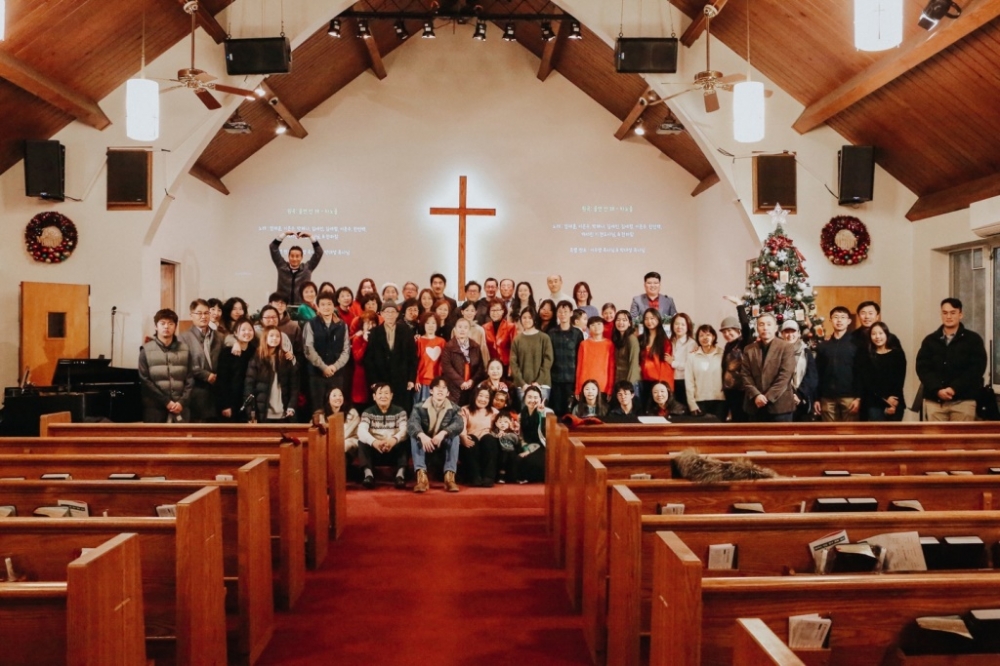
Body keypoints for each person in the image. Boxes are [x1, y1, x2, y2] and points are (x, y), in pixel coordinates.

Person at [916, 297, 987, 422]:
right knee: (935, 435)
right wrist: (937, 389)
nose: (948, 316)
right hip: (935, 402)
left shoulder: (973, 340)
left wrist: (954, 388)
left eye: (953, 312)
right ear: (941, 314)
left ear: (960, 314)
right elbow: (923, 368)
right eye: (945, 313)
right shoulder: (930, 340)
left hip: (963, 401)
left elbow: (976, 369)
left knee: (961, 435)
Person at [408, 377, 464, 493]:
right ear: (431, 391)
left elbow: (459, 425)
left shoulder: (454, 408)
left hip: (442, 445)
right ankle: (421, 478)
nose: (440, 390)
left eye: (444, 388)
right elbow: (412, 424)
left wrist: (443, 433)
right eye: (437, 387)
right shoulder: (419, 407)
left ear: (448, 393)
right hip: (425, 445)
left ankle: (449, 477)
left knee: (455, 436)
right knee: (415, 436)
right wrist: (422, 435)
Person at [138, 308, 193, 423]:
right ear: (156, 326)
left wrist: (182, 402)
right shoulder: (145, 350)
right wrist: (166, 402)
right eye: (162, 323)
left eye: (170, 323)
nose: (166, 327)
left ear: (175, 326)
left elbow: (190, 378)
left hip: (181, 408)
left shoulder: (185, 349)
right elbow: (145, 380)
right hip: (155, 410)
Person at [740, 313, 797, 422]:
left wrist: (767, 397)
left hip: (780, 406)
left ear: (775, 328)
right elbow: (745, 374)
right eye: (761, 324)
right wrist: (756, 395)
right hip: (755, 405)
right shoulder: (749, 349)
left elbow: (785, 376)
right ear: (757, 328)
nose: (765, 327)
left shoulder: (786, 347)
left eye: (769, 324)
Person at [364, 300, 418, 413]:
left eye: (393, 312)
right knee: (382, 410)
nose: (390, 315)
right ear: (382, 314)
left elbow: (412, 357)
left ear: (397, 314)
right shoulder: (374, 332)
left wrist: (411, 379)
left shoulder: (406, 331)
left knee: (401, 410)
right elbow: (369, 359)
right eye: (387, 312)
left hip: (401, 378)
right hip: (381, 378)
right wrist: (373, 381)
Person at [303, 293, 351, 412]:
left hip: (337, 374)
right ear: (318, 307)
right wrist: (323, 367)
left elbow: (346, 350)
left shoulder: (342, 325)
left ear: (334, 306)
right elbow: (308, 349)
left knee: (336, 408)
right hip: (316, 374)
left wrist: (334, 367)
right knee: (318, 409)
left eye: (329, 304)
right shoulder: (311, 324)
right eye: (323, 304)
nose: (326, 307)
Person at [357, 383, 409, 490]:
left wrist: (393, 440)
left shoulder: (400, 411)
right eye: (380, 393)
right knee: (362, 441)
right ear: (374, 396)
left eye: (386, 393)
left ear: (391, 396)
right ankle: (368, 475)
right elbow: (361, 431)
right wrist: (374, 442)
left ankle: (400, 475)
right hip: (376, 450)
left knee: (406, 440)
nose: (383, 396)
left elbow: (404, 430)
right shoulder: (368, 412)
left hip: (393, 449)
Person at [813, 306, 861, 422]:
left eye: (843, 317)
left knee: (850, 431)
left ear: (849, 321)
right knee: (829, 431)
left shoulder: (856, 344)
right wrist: (816, 398)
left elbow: (860, 372)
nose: (839, 320)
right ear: (830, 320)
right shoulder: (823, 346)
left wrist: (859, 397)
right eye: (836, 317)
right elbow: (817, 372)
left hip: (849, 397)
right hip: (827, 397)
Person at [178, 299, 222, 422]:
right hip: (196, 393)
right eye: (199, 313)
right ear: (191, 315)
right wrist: (206, 375)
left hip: (216, 392)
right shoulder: (183, 337)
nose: (203, 316)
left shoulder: (218, 336)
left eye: (206, 313)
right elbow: (184, 363)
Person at [244, 325, 299, 423]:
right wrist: (251, 413)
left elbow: (294, 385)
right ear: (265, 338)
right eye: (271, 336)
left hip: (283, 412)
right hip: (263, 413)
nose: (275, 338)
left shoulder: (286, 358)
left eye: (277, 336)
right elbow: (249, 387)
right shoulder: (257, 359)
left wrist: (291, 406)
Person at [858, 321, 906, 422]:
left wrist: (893, 401)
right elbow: (867, 382)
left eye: (880, 333)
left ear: (886, 334)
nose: (877, 337)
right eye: (874, 334)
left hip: (895, 401)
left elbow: (900, 379)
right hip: (874, 403)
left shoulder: (897, 354)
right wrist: (884, 400)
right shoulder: (866, 356)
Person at [215, 318, 258, 422]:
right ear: (235, 333)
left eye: (250, 330)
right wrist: (225, 405)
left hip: (250, 400)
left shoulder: (255, 352)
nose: (247, 332)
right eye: (243, 330)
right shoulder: (227, 353)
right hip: (231, 401)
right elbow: (222, 381)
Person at [509, 308, 554, 404]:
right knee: (525, 412)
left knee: (541, 412)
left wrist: (538, 382)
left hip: (542, 385)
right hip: (523, 386)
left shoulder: (544, 338)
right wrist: (522, 383)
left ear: (534, 319)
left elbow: (548, 360)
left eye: (530, 317)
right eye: (524, 317)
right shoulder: (517, 339)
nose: (527, 320)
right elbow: (513, 363)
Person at [720, 296, 754, 422]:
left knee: (741, 422)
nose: (726, 334)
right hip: (730, 392)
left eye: (729, 331)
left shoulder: (744, 343)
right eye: (724, 332)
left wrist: (739, 305)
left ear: (738, 331)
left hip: (742, 392)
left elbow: (746, 326)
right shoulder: (728, 346)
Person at [547, 300, 584, 416]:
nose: (563, 314)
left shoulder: (577, 333)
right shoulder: (551, 333)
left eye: (566, 311)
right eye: (560, 312)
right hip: (555, 379)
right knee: (556, 410)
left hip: (571, 379)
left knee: (569, 411)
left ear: (571, 313)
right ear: (557, 314)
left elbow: (580, 358)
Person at [441, 317, 487, 406]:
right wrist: (461, 382)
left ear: (469, 330)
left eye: (465, 327)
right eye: (460, 327)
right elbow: (446, 366)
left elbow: (480, 367)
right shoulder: (449, 346)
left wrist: (472, 381)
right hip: (454, 385)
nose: (462, 330)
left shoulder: (475, 346)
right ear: (455, 329)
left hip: (471, 385)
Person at [459, 386, 499, 487]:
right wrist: (463, 437)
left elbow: (499, 427)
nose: (483, 399)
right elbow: (461, 427)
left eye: (487, 397)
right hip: (470, 441)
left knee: (489, 439)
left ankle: (488, 477)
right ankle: (474, 477)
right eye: (480, 396)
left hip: (486, 442)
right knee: (471, 439)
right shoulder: (465, 409)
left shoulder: (494, 412)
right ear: (474, 396)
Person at [685, 324, 726, 421]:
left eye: (708, 335)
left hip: (720, 400)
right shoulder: (692, 356)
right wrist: (692, 403)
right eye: (701, 335)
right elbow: (689, 382)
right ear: (698, 339)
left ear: (713, 336)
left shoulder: (722, 354)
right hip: (699, 401)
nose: (705, 338)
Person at [780, 320, 819, 422]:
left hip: (802, 400)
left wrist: (799, 395)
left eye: (793, 332)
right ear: (782, 334)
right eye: (787, 332)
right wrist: (788, 395)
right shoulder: (777, 352)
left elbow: (812, 377)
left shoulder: (806, 352)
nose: (790, 335)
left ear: (798, 333)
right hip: (781, 400)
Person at [509, 385, 550, 483]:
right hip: (526, 445)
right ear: (524, 399)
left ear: (540, 399)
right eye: (529, 397)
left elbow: (545, 436)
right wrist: (526, 448)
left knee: (530, 461)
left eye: (536, 397)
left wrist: (541, 415)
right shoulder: (521, 415)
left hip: (542, 446)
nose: (532, 400)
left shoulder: (547, 412)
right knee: (513, 456)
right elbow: (521, 436)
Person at [270, 230, 323, 305]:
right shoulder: (282, 266)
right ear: (288, 256)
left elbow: (319, 252)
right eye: (292, 256)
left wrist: (310, 236)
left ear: (301, 257)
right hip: (283, 306)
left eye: (297, 256)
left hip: (301, 307)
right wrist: (285, 234)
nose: (294, 259)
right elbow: (273, 247)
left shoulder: (307, 268)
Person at [637, 308, 674, 406]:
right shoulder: (640, 339)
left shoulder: (665, 341)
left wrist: (663, 385)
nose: (649, 321)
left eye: (652, 318)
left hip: (658, 382)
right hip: (644, 381)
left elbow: (666, 365)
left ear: (658, 319)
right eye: (646, 318)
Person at [575, 316, 615, 397]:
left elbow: (611, 368)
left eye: (599, 324)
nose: (596, 327)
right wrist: (577, 388)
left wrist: (610, 388)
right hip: (586, 384)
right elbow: (579, 367)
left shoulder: (609, 344)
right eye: (593, 325)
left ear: (604, 326)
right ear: (588, 328)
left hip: (603, 385)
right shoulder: (584, 344)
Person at [328, 386, 361, 472]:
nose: (338, 398)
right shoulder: (321, 414)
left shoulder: (352, 413)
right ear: (328, 399)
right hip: (328, 445)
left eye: (340, 395)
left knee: (342, 447)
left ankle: (338, 475)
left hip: (349, 442)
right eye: (334, 395)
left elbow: (346, 433)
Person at [415, 312, 446, 403]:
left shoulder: (442, 341)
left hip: (437, 381)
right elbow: (415, 362)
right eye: (427, 323)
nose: (430, 326)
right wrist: (416, 379)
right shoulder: (419, 341)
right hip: (422, 381)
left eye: (433, 323)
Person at [668, 313, 696, 412]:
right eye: (676, 324)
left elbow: (689, 365)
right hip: (671, 380)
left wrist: (673, 363)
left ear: (688, 327)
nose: (679, 327)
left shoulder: (691, 343)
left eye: (683, 324)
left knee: (684, 409)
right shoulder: (671, 341)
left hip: (684, 380)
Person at [349, 311, 377, 411]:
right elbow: (358, 358)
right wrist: (365, 341)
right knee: (361, 405)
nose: (370, 326)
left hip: (375, 377)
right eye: (367, 323)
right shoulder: (358, 338)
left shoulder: (378, 337)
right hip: (361, 377)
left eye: (373, 323)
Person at [612, 310, 641, 401]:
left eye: (624, 320)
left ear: (629, 323)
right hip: (619, 380)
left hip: (630, 381)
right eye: (618, 320)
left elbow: (634, 363)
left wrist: (629, 385)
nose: (621, 322)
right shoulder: (618, 338)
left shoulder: (632, 339)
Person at [483, 299, 515, 373]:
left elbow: (514, 350)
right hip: (490, 366)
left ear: (503, 311)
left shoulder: (511, 327)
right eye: (492, 310)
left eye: (497, 310)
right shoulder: (484, 327)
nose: (495, 313)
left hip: (506, 365)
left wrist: (511, 368)